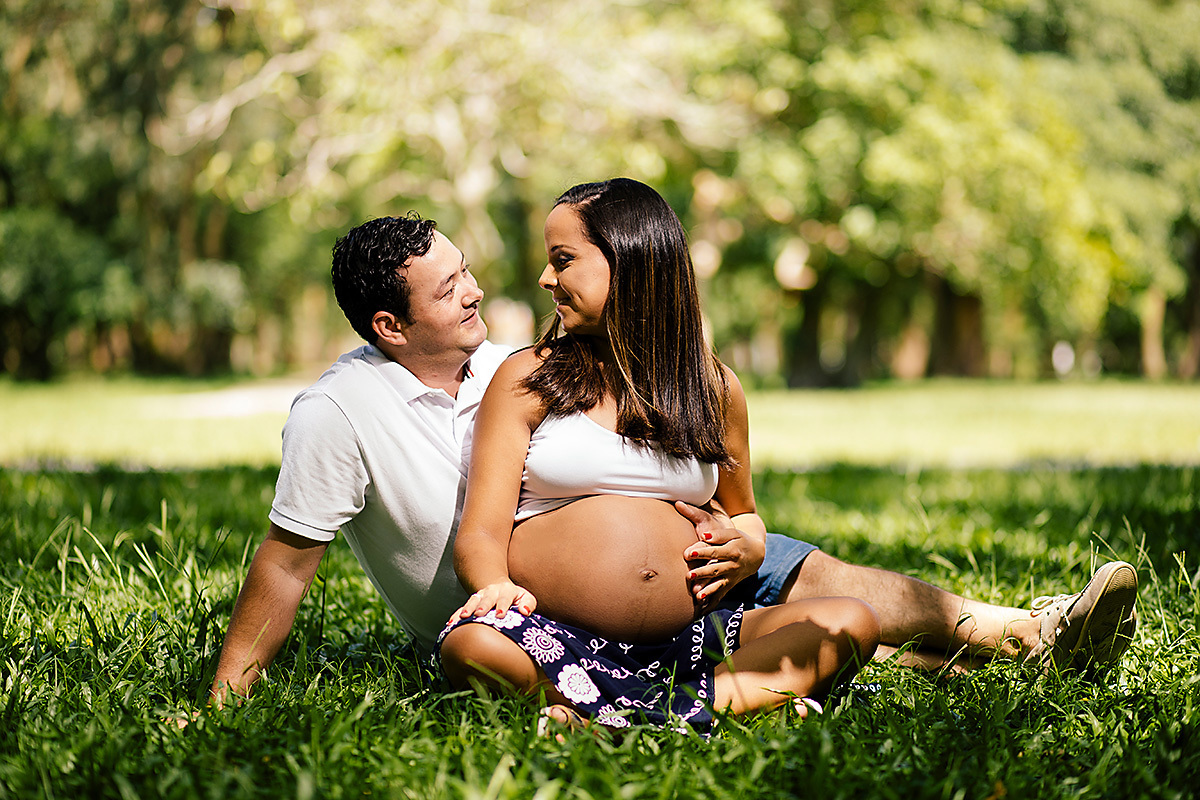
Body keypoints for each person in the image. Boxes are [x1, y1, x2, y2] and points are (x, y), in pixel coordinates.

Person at [209, 205, 1138, 709]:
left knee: (830, 583)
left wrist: (741, 533)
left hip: (700, 570)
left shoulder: (509, 357)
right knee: (821, 607)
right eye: (450, 287)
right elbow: (288, 566)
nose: (484, 288)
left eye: (466, 271)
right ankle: (946, 659)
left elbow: (728, 481)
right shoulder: (343, 411)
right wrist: (227, 695)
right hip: (531, 615)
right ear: (390, 325)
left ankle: (1024, 633)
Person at [438, 178, 880, 730]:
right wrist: (495, 587)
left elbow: (744, 512)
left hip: (697, 639)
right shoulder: (528, 378)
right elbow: (480, 531)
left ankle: (615, 712)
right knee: (472, 647)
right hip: (556, 636)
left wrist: (749, 546)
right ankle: (691, 707)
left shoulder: (713, 389)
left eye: (564, 259)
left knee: (850, 620)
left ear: (630, 260)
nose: (546, 278)